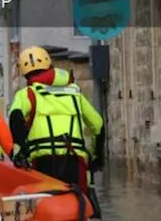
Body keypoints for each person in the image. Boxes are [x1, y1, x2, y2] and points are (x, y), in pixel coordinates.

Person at [7, 46, 105, 189]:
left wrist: (21, 151)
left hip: (42, 162)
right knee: (84, 200)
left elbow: (15, 117)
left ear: (25, 74)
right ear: (49, 65)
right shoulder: (75, 94)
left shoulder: (27, 94)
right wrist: (98, 158)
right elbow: (98, 125)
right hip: (74, 160)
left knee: (42, 202)